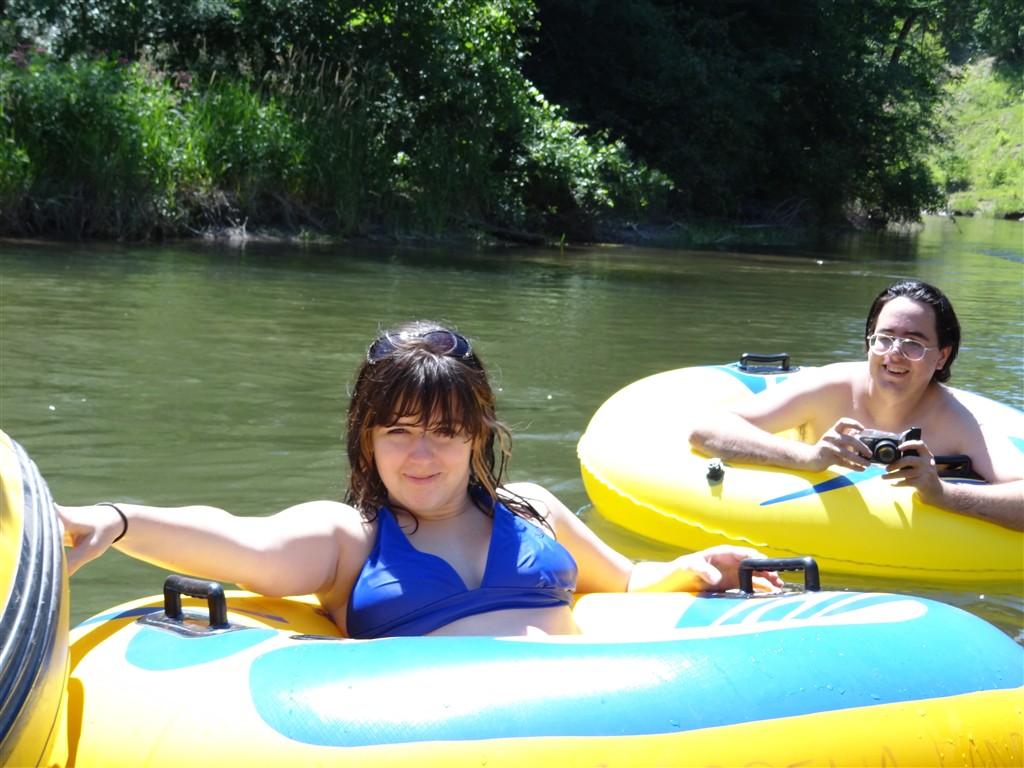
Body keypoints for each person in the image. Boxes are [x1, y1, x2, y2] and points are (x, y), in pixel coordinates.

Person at [59, 320, 783, 639]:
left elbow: (624, 581)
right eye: (398, 432)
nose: (422, 456)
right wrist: (118, 521)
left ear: (477, 434)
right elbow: (241, 542)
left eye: (444, 431)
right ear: (367, 441)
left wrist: (696, 566)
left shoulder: (531, 509)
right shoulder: (350, 539)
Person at [688, 280, 1024, 532]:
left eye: (913, 343)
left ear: (942, 356)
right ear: (868, 343)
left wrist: (942, 494)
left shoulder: (959, 421)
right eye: (884, 338)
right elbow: (708, 431)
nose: (894, 353)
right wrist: (808, 457)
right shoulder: (828, 387)